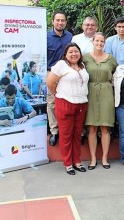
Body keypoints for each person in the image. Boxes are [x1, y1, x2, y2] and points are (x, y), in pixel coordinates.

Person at [47, 42, 89, 175]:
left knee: (77, 134)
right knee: (66, 135)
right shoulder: (61, 65)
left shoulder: (82, 66)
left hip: (81, 104)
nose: (74, 54)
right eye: (70, 52)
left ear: (80, 53)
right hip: (65, 103)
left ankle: (77, 161)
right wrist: (58, 93)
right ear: (65, 54)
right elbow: (50, 82)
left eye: (76, 51)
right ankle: (68, 164)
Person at [82, 32, 118, 170]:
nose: (99, 43)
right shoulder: (85, 58)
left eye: (102, 41)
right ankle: (92, 158)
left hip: (106, 93)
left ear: (104, 43)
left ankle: (104, 158)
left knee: (105, 127)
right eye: (97, 41)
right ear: (93, 42)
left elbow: (116, 73)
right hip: (89, 93)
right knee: (91, 127)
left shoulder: (111, 59)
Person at [47, 11, 72, 146]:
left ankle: (67, 130)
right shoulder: (46, 37)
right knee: (52, 102)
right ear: (53, 22)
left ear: (65, 22)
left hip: (67, 74)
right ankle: (54, 131)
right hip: (51, 73)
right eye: (58, 20)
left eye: (62, 20)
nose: (60, 23)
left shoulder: (70, 37)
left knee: (68, 102)